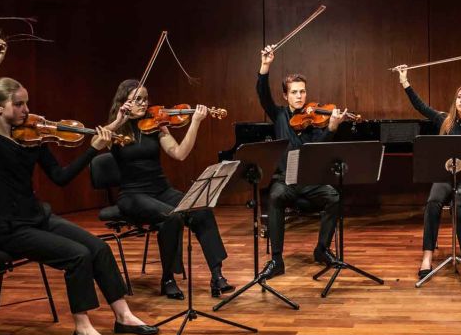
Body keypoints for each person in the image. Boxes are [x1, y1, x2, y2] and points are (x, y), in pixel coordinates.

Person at [0, 39, 157, 335]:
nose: (27, 110)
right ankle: (82, 328)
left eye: (26, 103)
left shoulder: (33, 138)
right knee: (77, 256)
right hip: (10, 228)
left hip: (38, 217)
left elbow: (61, 178)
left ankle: (124, 316)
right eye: (19, 104)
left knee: (98, 248)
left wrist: (95, 148)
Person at [106, 81, 235, 299]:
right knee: (172, 218)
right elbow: (96, 143)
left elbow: (179, 153)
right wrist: (120, 119)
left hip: (161, 190)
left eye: (145, 98)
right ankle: (168, 278)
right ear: (123, 101)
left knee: (201, 209)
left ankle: (217, 275)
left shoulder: (156, 125)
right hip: (132, 195)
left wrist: (195, 123)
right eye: (137, 99)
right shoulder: (117, 130)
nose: (144, 103)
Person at [255, 45, 346, 280]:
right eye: (294, 92)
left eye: (302, 92)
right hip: (285, 181)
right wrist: (265, 66)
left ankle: (322, 250)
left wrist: (332, 128)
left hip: (309, 182)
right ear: (285, 96)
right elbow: (263, 94)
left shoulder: (316, 120)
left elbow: (319, 150)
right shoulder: (278, 115)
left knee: (334, 197)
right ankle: (276, 260)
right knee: (274, 196)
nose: (299, 96)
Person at [396, 66, 461, 281]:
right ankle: (427, 257)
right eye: (460, 96)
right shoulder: (445, 119)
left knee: (458, 204)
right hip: (446, 176)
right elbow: (421, 106)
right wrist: (405, 83)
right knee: (433, 202)